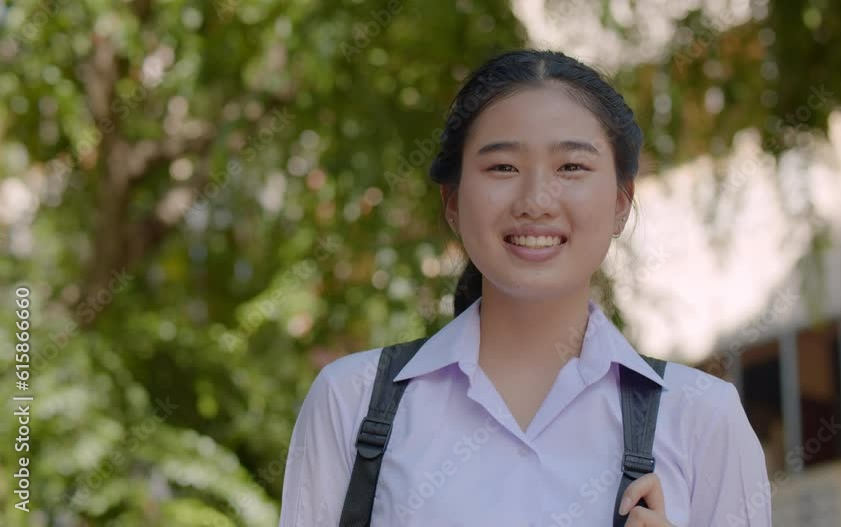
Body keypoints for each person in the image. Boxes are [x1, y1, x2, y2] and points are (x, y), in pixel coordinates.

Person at [279, 49, 772, 527]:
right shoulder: (352, 401)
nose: (536, 200)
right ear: (452, 202)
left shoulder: (703, 418)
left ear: (622, 203)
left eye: (571, 167)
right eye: (503, 167)